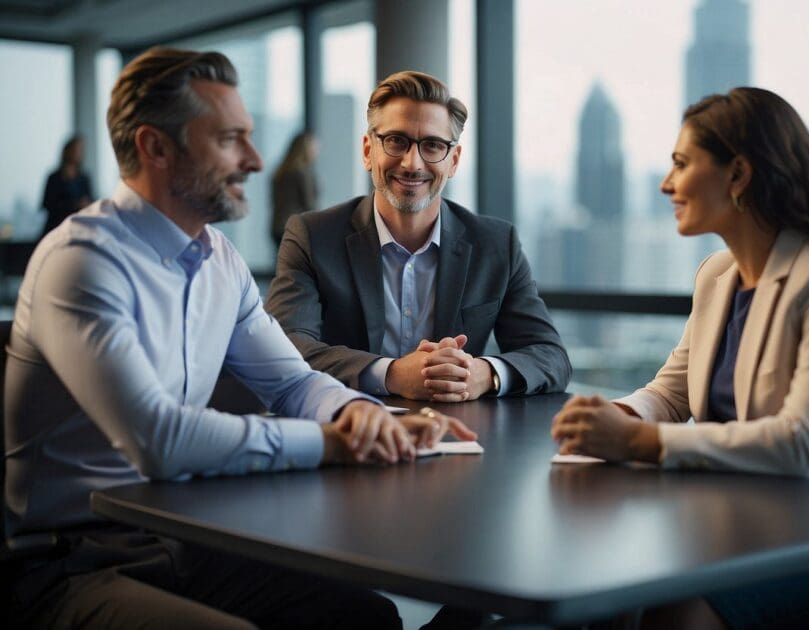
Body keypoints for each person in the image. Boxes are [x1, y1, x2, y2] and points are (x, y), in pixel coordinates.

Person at [5, 46, 475, 629]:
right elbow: (160, 440)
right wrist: (335, 443)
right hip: (69, 564)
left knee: (365, 618)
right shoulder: (81, 261)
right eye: (230, 139)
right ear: (155, 146)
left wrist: (362, 414)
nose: (254, 159)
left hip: (182, 538)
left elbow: (294, 383)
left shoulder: (219, 261)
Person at [552, 87, 809, 629]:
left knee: (671, 615)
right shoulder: (717, 276)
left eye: (681, 164)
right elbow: (672, 393)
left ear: (738, 175)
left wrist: (638, 442)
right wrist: (613, 418)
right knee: (610, 595)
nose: (665, 183)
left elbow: (804, 443)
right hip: (756, 526)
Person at [265, 70, 571, 402]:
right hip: (346, 430)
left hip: (460, 437)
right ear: (369, 151)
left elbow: (550, 355)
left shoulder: (496, 244)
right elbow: (285, 348)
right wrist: (391, 374)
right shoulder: (312, 237)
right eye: (396, 141)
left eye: (433, 146)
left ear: (453, 161)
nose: (413, 163)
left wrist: (485, 374)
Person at [271, 130, 319, 246]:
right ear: (306, 149)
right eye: (314, 148)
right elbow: (309, 204)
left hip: (278, 226)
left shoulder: (280, 173)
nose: (316, 152)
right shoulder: (302, 173)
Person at [41, 134, 93, 236]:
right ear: (67, 151)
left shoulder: (84, 178)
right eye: (75, 149)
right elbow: (47, 204)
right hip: (55, 229)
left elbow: (90, 201)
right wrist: (74, 205)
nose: (78, 153)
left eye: (80, 150)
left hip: (77, 229)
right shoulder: (54, 177)